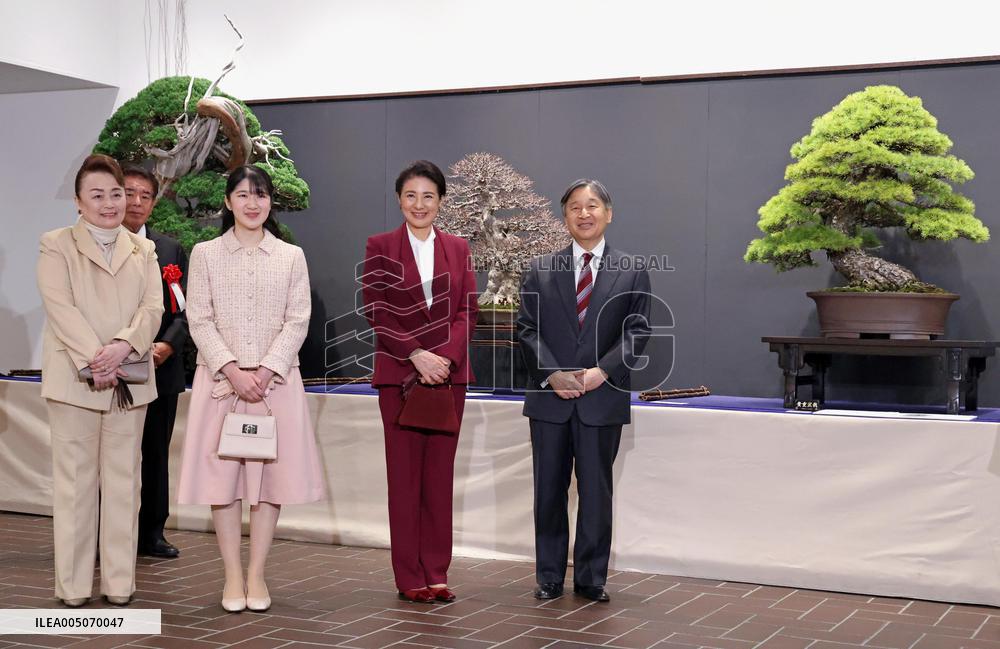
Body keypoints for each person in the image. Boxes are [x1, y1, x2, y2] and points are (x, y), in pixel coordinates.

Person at [177, 165, 324, 613]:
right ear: (227, 202)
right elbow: (198, 318)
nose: (252, 203)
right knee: (222, 482)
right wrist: (233, 370)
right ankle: (231, 575)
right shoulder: (204, 254)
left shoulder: (289, 256)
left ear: (270, 202)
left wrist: (265, 371)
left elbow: (298, 319)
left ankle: (257, 573)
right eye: (242, 195)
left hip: (274, 385)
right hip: (222, 383)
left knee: (270, 481)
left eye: (260, 194)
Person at [37, 153, 164, 607]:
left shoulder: (143, 249)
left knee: (125, 484)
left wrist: (122, 347)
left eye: (116, 193)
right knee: (74, 487)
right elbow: (60, 307)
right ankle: (72, 589)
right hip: (76, 382)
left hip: (129, 380)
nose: (110, 203)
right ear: (78, 202)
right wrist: (96, 357)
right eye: (98, 195)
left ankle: (119, 584)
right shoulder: (56, 244)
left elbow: (153, 309)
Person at [516, 179, 651, 603]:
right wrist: (552, 374)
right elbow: (526, 329)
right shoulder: (540, 269)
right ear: (565, 217)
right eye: (575, 207)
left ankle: (592, 578)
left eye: (592, 206)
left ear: (608, 213)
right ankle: (549, 576)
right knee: (548, 491)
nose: (584, 213)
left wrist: (602, 372)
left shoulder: (632, 269)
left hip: (601, 397)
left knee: (596, 492)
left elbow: (638, 332)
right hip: (549, 400)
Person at [362, 160, 478, 603]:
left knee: (439, 479)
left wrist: (444, 358)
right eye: (411, 195)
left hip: (449, 378)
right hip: (400, 377)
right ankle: (408, 575)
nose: (419, 204)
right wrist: (415, 354)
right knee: (405, 480)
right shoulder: (380, 246)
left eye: (428, 196)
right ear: (399, 199)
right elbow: (376, 308)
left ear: (441, 201)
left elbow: (468, 310)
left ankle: (437, 571)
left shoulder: (459, 248)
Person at [121, 165, 188, 559]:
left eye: (145, 195)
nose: (137, 202)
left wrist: (166, 346)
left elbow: (183, 310)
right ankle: (110, 532)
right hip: (114, 369)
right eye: (129, 193)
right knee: (113, 454)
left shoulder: (170, 249)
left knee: (156, 453)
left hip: (161, 368)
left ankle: (153, 533)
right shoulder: (103, 245)